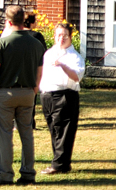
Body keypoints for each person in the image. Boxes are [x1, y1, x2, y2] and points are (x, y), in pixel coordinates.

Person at [0, 5, 45, 186]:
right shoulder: (36, 43)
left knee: (5, 134)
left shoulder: (2, 42)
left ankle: (5, 175)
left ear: (9, 21)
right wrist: (34, 90)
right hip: (28, 92)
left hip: (5, 91)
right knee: (26, 133)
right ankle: (28, 173)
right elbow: (40, 71)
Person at [39, 22, 85, 175]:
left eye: (65, 35)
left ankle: (58, 165)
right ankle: (62, 163)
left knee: (63, 131)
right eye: (58, 35)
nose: (61, 38)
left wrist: (62, 65)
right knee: (54, 130)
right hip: (47, 95)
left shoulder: (74, 57)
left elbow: (77, 77)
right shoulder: (48, 53)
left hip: (65, 95)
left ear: (70, 37)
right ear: (54, 36)